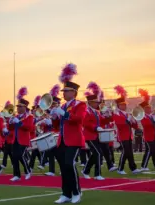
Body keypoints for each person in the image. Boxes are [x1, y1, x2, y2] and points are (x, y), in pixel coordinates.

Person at [52, 63, 86, 204]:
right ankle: (66, 193)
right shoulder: (63, 106)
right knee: (63, 167)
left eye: (66, 91)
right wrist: (53, 119)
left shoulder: (80, 105)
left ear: (73, 92)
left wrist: (64, 114)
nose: (63, 93)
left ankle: (76, 192)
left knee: (69, 164)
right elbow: (58, 126)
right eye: (63, 91)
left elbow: (79, 119)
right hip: (62, 140)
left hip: (74, 140)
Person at [112, 85, 141, 174]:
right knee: (125, 152)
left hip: (129, 136)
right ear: (118, 105)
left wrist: (134, 121)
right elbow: (120, 124)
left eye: (125, 104)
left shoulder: (126, 114)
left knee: (130, 152)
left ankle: (133, 168)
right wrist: (128, 119)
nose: (124, 106)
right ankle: (120, 169)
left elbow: (135, 127)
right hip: (122, 135)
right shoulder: (116, 114)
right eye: (122, 105)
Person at [9, 87, 33, 181]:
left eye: (20, 107)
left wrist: (18, 122)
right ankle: (16, 175)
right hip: (15, 139)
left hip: (23, 139)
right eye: (18, 107)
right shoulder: (16, 116)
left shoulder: (29, 116)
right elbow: (10, 128)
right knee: (14, 157)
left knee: (21, 155)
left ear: (25, 108)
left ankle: (27, 171)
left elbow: (29, 127)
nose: (18, 108)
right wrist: (10, 123)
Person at [138, 89, 155, 171]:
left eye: (150, 108)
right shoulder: (143, 116)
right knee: (149, 151)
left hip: (154, 135)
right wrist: (154, 117)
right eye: (148, 108)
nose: (150, 109)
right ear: (144, 110)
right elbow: (146, 125)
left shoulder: (151, 116)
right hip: (148, 136)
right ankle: (143, 166)